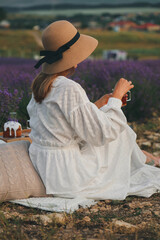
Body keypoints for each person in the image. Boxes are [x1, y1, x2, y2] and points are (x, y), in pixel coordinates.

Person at [27, 20, 160, 200]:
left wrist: (97, 104)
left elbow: (60, 120)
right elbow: (101, 133)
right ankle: (144, 160)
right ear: (73, 60)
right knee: (119, 131)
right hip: (68, 176)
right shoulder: (68, 88)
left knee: (108, 117)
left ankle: (144, 159)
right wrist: (116, 98)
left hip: (46, 166)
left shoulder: (42, 85)